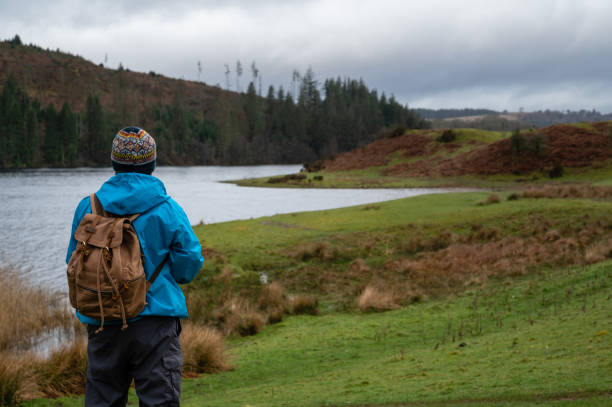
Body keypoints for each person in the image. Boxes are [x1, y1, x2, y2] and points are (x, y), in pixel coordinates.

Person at [66, 126, 204, 407]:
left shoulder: (88, 206)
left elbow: (73, 261)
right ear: (151, 163)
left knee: (102, 400)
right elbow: (189, 264)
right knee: (159, 401)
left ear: (114, 163)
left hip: (102, 320)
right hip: (155, 321)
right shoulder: (167, 209)